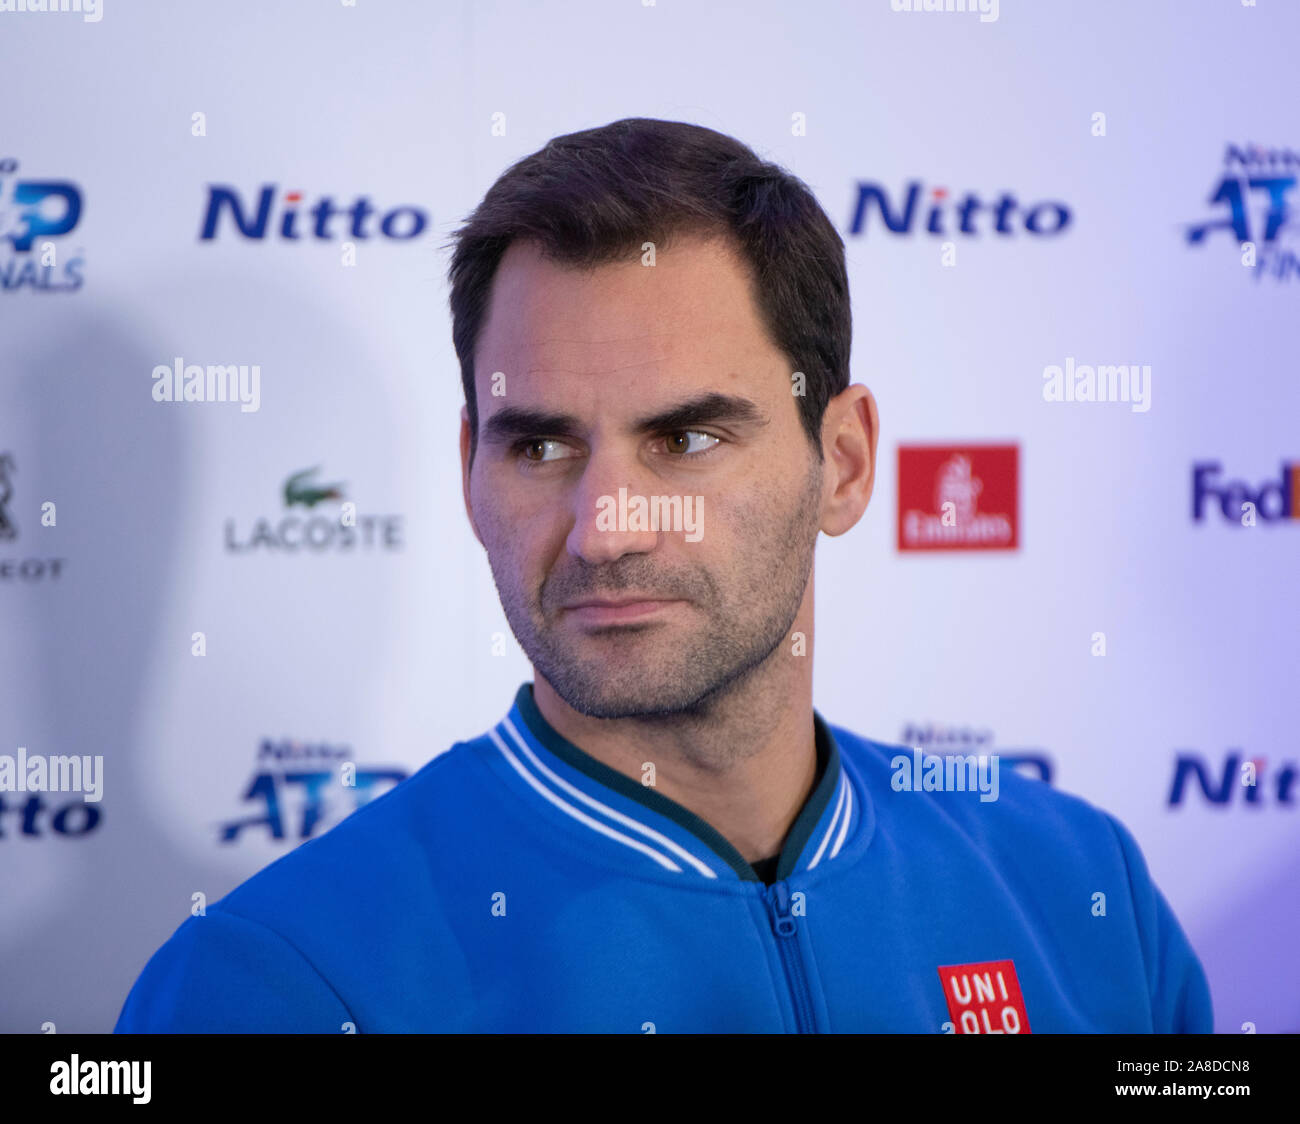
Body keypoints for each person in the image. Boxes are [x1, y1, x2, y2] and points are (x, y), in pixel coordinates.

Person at [115, 117, 1212, 1033]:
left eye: (685, 439)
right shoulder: (275, 979)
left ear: (843, 462)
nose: (605, 529)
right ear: (469, 471)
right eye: (540, 446)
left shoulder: (1080, 890)